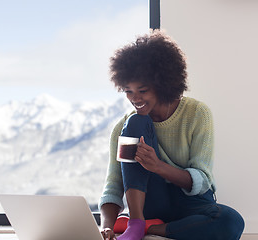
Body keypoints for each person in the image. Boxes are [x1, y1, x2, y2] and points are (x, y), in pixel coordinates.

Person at [99, 30, 244, 240]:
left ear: (162, 84)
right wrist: (106, 226)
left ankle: (148, 228)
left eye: (142, 90)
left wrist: (158, 166)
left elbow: (202, 180)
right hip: (150, 201)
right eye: (128, 91)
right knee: (135, 123)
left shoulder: (197, 113)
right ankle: (136, 222)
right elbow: (113, 185)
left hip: (191, 201)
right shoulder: (124, 128)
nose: (134, 98)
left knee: (231, 221)